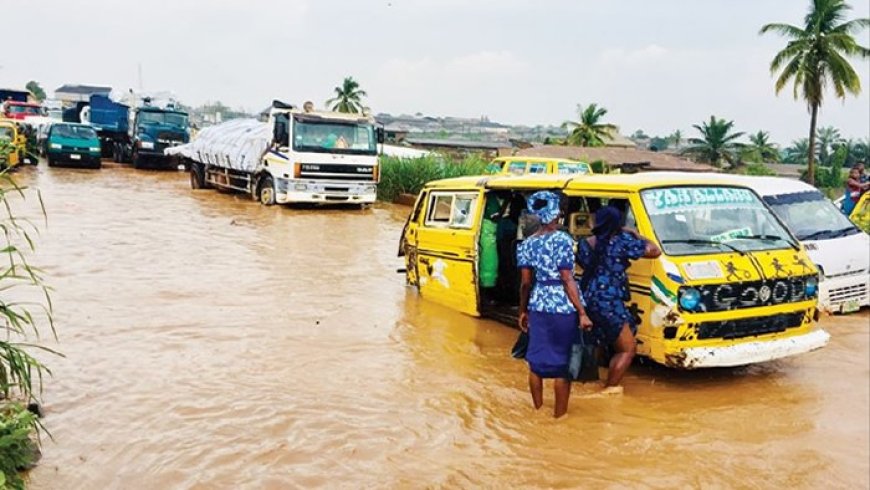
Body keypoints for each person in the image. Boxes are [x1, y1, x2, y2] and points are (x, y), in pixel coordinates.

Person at [517, 191, 593, 418]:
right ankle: (559, 417)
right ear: (555, 214)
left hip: (538, 305)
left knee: (536, 362)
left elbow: (525, 283)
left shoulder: (527, 244)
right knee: (563, 365)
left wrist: (523, 310)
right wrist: (581, 312)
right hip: (563, 307)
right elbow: (567, 278)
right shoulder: (563, 240)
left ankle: (538, 411)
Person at [576, 205, 661, 395]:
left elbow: (583, 263)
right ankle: (609, 389)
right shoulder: (621, 242)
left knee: (597, 342)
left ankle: (590, 382)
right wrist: (635, 233)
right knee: (627, 349)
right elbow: (655, 251)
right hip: (610, 301)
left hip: (588, 297)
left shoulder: (585, 243)